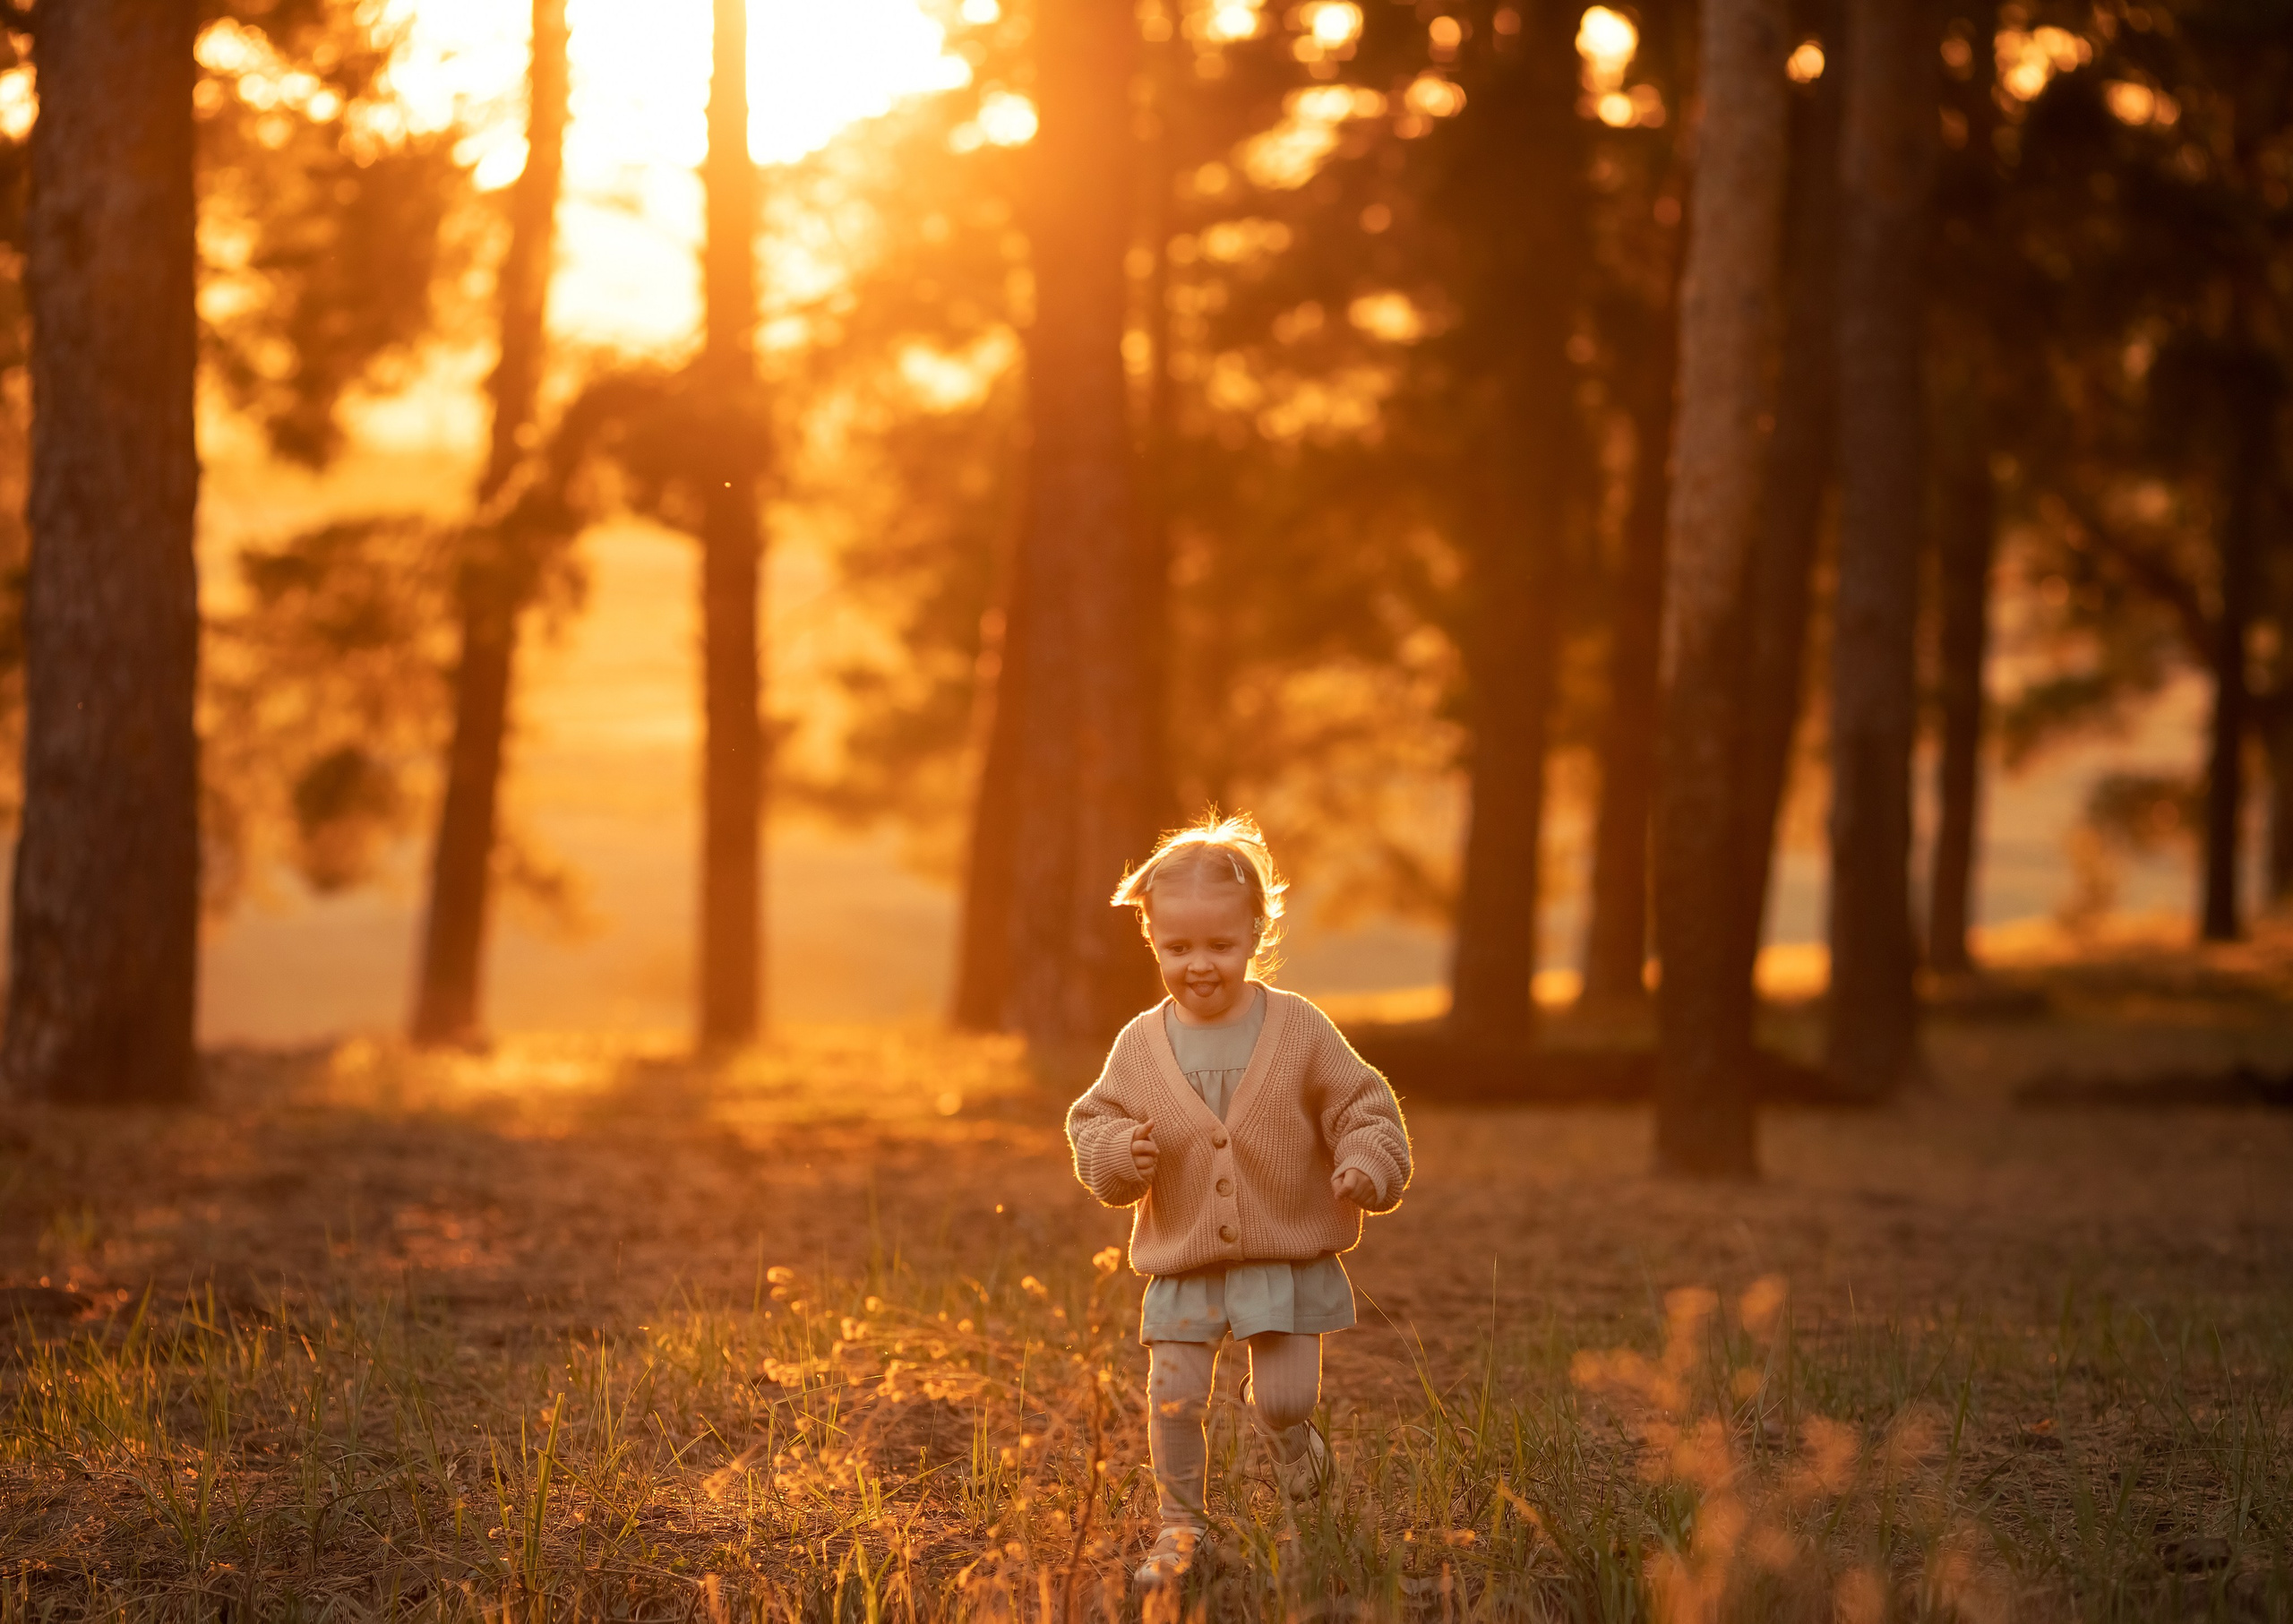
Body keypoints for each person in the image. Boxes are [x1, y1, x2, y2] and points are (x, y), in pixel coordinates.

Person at [1064, 812, 1413, 1588]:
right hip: (1185, 1252)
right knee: (1175, 1396)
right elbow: (1094, 1121)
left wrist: (1365, 1162)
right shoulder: (1139, 1042)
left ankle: (1292, 1440)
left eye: (1219, 946)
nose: (1199, 965)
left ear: (1256, 930)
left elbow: (1363, 1106)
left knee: (1285, 1399)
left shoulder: (1298, 1029)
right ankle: (1181, 1526)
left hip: (1283, 1254)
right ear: (1151, 938)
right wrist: (1122, 1154)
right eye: (1177, 947)